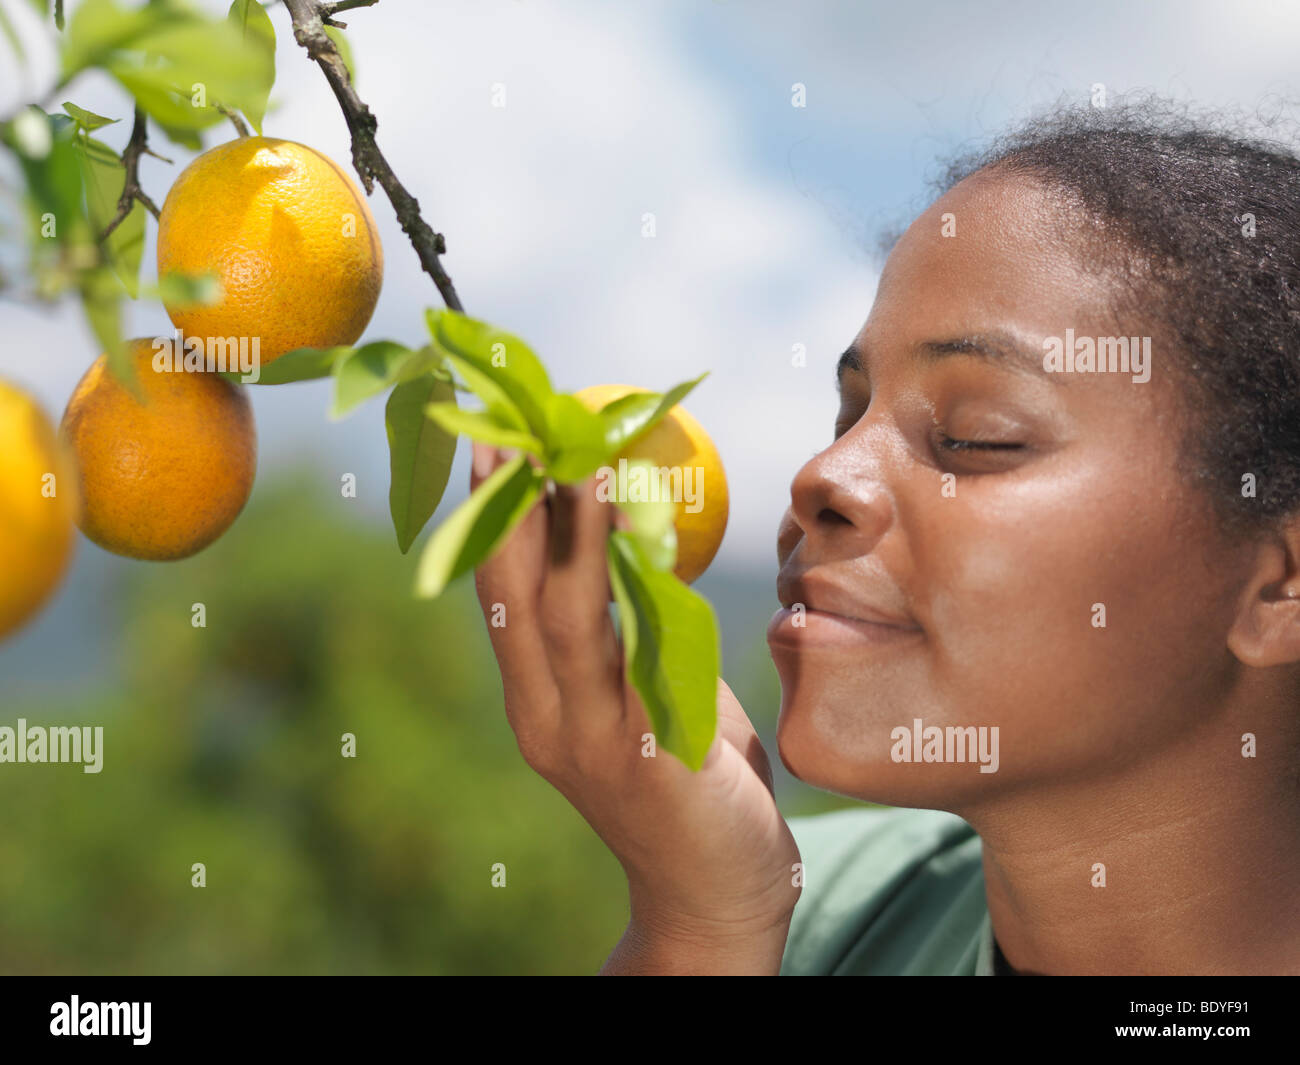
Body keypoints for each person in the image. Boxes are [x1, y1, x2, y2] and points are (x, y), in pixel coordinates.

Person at [468, 98, 1300, 975]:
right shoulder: (799, 913)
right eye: (849, 410)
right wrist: (701, 928)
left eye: (976, 435)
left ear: (1278, 581)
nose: (822, 476)